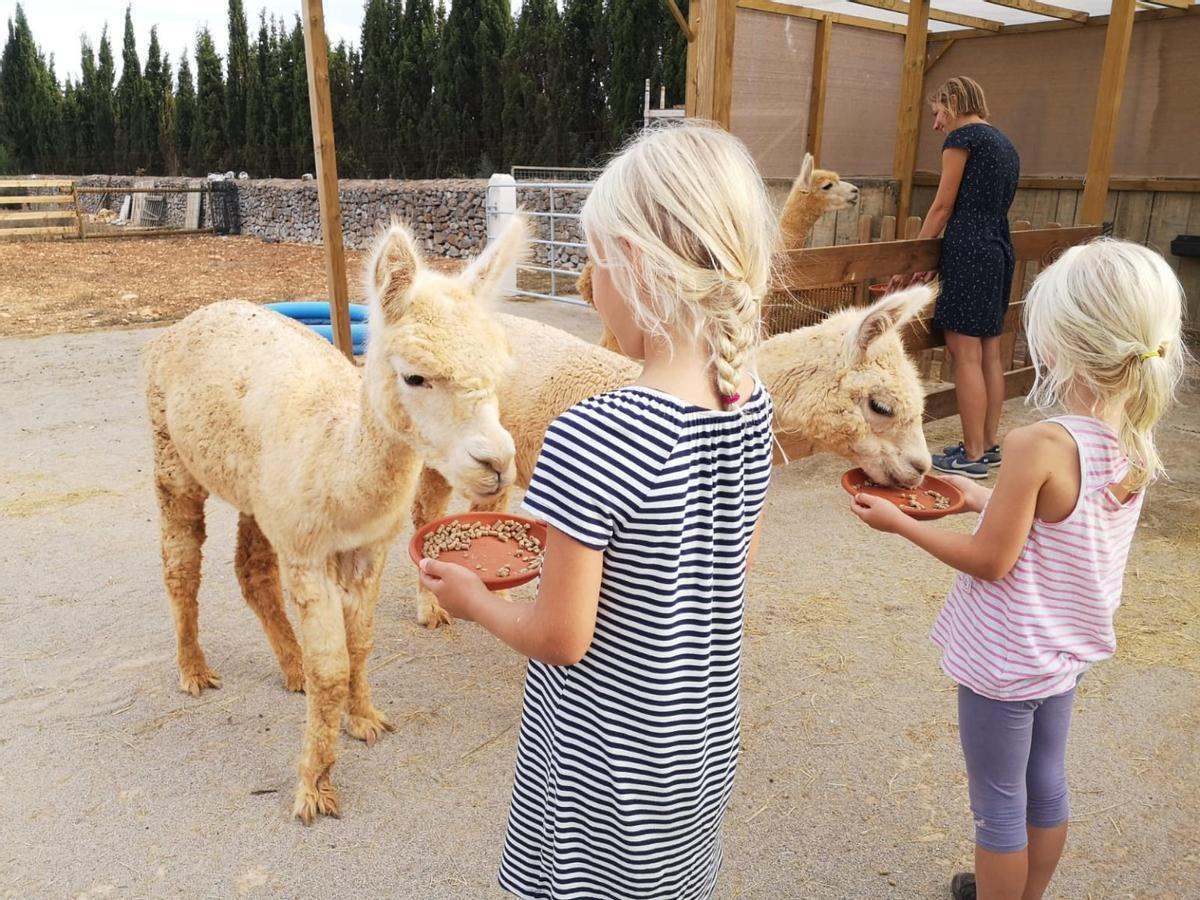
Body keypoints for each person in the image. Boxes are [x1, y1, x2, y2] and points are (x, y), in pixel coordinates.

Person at [419, 122, 776, 899]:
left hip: (604, 771)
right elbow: (728, 559)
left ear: (638, 268)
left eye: (595, 258)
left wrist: (474, 598)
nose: (588, 279)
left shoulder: (597, 431)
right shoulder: (750, 401)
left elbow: (559, 636)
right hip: (697, 747)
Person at [852, 239, 1185, 900]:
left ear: (1059, 344)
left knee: (998, 807)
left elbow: (991, 560)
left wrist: (899, 525)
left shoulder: (1040, 442)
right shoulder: (1133, 434)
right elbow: (1059, 520)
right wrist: (979, 495)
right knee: (1045, 783)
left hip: (1005, 662)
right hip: (1062, 653)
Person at [921, 76, 1020, 479]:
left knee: (965, 355)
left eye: (938, 112)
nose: (937, 124)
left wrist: (915, 253)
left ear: (955, 102)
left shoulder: (963, 139)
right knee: (989, 354)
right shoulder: (1004, 144)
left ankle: (973, 456)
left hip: (968, 250)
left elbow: (943, 206)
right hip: (998, 247)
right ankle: (987, 445)